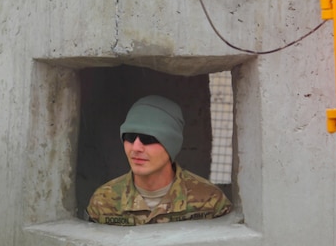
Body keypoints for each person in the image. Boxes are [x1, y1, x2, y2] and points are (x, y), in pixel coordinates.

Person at [87, 95, 232, 225]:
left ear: (171, 144)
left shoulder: (209, 200)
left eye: (148, 139)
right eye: (129, 137)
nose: (136, 147)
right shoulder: (104, 201)